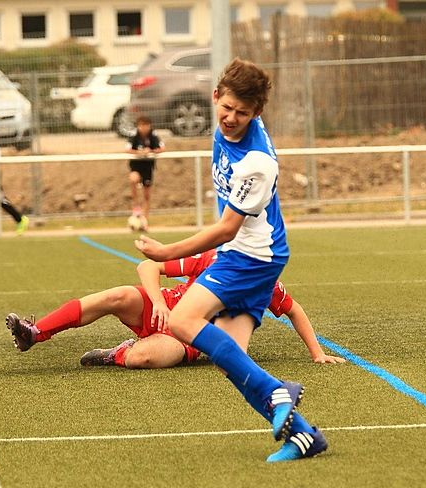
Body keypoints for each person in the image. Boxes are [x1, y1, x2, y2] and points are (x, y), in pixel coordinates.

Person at [134, 58, 325, 463]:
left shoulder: (258, 162)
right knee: (230, 361)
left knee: (184, 321)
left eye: (243, 113)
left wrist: (164, 252)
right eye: (227, 108)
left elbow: (225, 230)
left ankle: (276, 390)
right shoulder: (222, 124)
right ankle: (305, 436)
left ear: (257, 113)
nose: (232, 119)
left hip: (251, 256)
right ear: (215, 96)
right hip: (250, 253)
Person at [5, 249, 346, 369]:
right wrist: (157, 303)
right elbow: (146, 267)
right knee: (120, 295)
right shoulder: (211, 257)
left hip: (189, 339)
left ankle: (116, 355)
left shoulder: (264, 283)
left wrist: (317, 353)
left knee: (146, 357)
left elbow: (294, 310)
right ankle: (35, 333)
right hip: (163, 309)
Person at [126, 116, 164, 228]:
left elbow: (162, 148)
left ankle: (144, 221)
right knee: (133, 179)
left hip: (148, 168)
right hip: (136, 167)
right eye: (141, 125)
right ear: (138, 126)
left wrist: (150, 151)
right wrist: (140, 152)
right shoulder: (134, 136)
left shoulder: (153, 136)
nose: (144, 128)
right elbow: (127, 149)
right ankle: (136, 206)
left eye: (146, 125)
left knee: (147, 195)